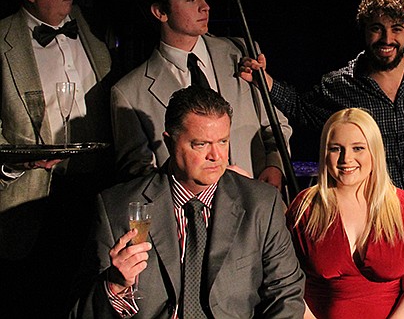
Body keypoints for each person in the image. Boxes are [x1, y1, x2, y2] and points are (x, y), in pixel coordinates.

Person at [70, 85, 306, 318]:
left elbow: (286, 294)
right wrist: (114, 286)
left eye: (223, 142)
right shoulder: (117, 207)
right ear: (170, 143)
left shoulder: (261, 204)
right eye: (200, 144)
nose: (215, 156)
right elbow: (81, 312)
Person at [241, 0, 404, 212]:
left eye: (396, 29)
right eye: (377, 28)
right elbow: (300, 108)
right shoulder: (341, 85)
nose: (387, 38)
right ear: (364, 29)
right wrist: (265, 81)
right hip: (374, 211)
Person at [0, 0, 114, 316]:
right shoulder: (4, 41)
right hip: (31, 199)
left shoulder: (89, 28)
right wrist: (21, 162)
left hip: (93, 188)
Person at [111, 0, 292, 189]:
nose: (204, 7)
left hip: (256, 202)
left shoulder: (242, 54)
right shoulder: (129, 92)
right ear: (160, 12)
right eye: (190, 0)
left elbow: (276, 125)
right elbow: (137, 175)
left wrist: (274, 166)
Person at [287, 107, 404, 319]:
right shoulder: (305, 208)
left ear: (374, 151)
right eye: (336, 148)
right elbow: (287, 284)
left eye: (358, 148)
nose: (346, 158)